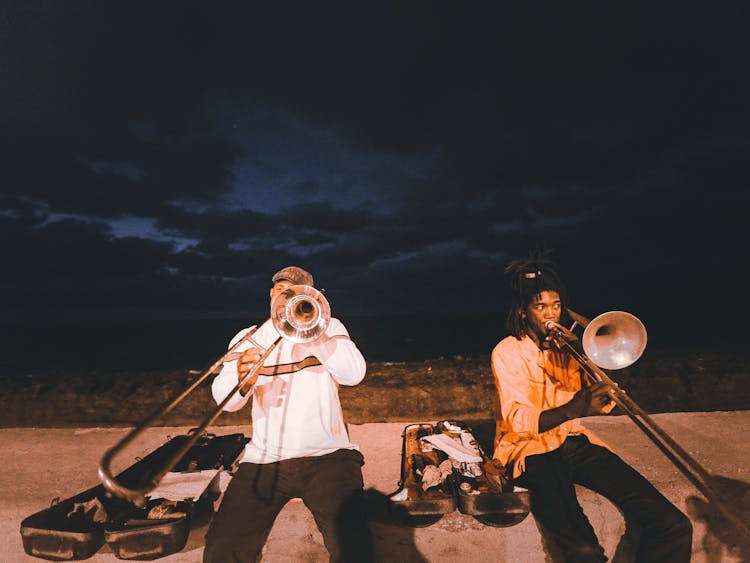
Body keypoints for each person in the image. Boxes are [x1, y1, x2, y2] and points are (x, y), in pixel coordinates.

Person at [491, 251, 692, 562]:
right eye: (540, 306)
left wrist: (598, 370)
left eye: (556, 306)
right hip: (529, 452)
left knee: (673, 525)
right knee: (583, 551)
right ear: (522, 311)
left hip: (575, 444)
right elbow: (518, 420)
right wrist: (574, 408)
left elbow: (596, 401)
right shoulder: (507, 352)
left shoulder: (568, 348)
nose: (550, 315)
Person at [204, 266, 373, 563]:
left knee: (354, 547)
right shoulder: (248, 337)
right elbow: (224, 402)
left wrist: (314, 333)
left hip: (329, 456)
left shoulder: (330, 328)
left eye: (298, 293)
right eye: (282, 291)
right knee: (224, 547)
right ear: (271, 295)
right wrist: (243, 380)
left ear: (313, 297)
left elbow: (355, 374)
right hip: (265, 459)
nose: (287, 299)